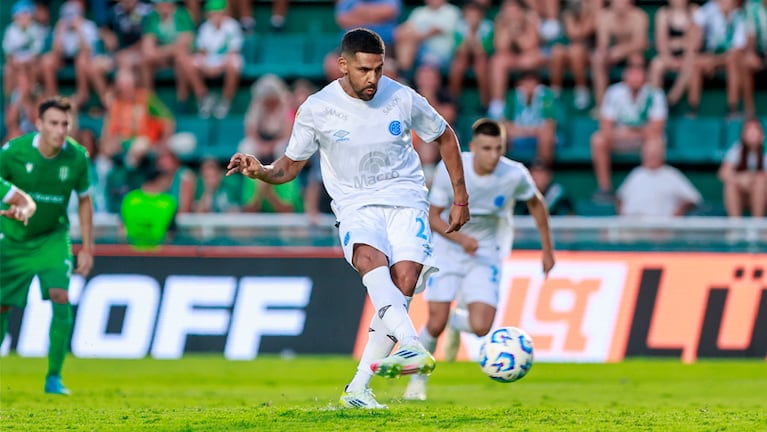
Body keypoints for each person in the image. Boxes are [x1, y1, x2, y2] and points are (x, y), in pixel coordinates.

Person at [226, 28, 470, 409]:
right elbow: (288, 166)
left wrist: (460, 195)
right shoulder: (317, 108)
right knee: (369, 260)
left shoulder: (402, 98)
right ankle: (411, 346)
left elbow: (445, 135)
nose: (372, 78)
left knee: (404, 280)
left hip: (406, 198)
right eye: (363, 70)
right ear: (343, 65)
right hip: (355, 203)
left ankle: (358, 388)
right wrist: (261, 171)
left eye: (378, 69)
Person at [402, 119, 555, 401]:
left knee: (482, 326)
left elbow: (536, 204)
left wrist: (547, 249)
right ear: (473, 147)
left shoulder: (514, 174)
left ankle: (454, 323)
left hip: (486, 251)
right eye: (487, 148)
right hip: (449, 247)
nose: (494, 155)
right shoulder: (452, 169)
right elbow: (433, 217)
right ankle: (416, 382)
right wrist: (461, 239)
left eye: (499, 148)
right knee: (435, 322)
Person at [0, 97, 94, 395]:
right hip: (13, 240)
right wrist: (13, 202)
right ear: (39, 124)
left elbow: (85, 200)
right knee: (2, 306)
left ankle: (54, 376)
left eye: (65, 123)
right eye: (53, 123)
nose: (60, 129)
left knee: (61, 295)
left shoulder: (78, 157)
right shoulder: (14, 151)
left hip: (53, 237)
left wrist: (88, 247)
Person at [616, 140, 702, 217]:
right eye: (648, 154)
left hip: (659, 227)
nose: (650, 157)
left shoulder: (671, 174)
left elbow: (693, 198)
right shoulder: (636, 173)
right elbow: (620, 198)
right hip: (631, 226)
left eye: (654, 154)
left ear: (662, 155)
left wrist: (678, 213)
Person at [718, 118, 767, 217]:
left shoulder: (765, 151)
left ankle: (758, 227)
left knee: (761, 182)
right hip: (743, 196)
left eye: (756, 129)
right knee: (730, 184)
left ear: (762, 135)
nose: (752, 132)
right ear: (743, 135)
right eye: (748, 129)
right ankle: (735, 227)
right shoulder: (737, 149)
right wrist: (740, 179)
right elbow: (723, 173)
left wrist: (752, 178)